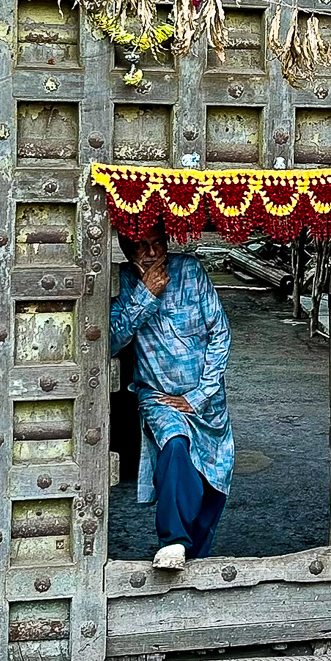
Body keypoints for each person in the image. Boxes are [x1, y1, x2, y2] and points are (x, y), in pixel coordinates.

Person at [108, 220, 234, 570]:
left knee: (213, 487)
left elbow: (220, 333)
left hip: (207, 401)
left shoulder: (191, 271)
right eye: (141, 245)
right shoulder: (122, 282)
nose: (152, 252)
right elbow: (111, 341)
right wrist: (145, 295)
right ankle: (173, 540)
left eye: (157, 243)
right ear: (126, 249)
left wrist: (200, 394)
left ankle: (195, 559)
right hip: (158, 397)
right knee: (175, 447)